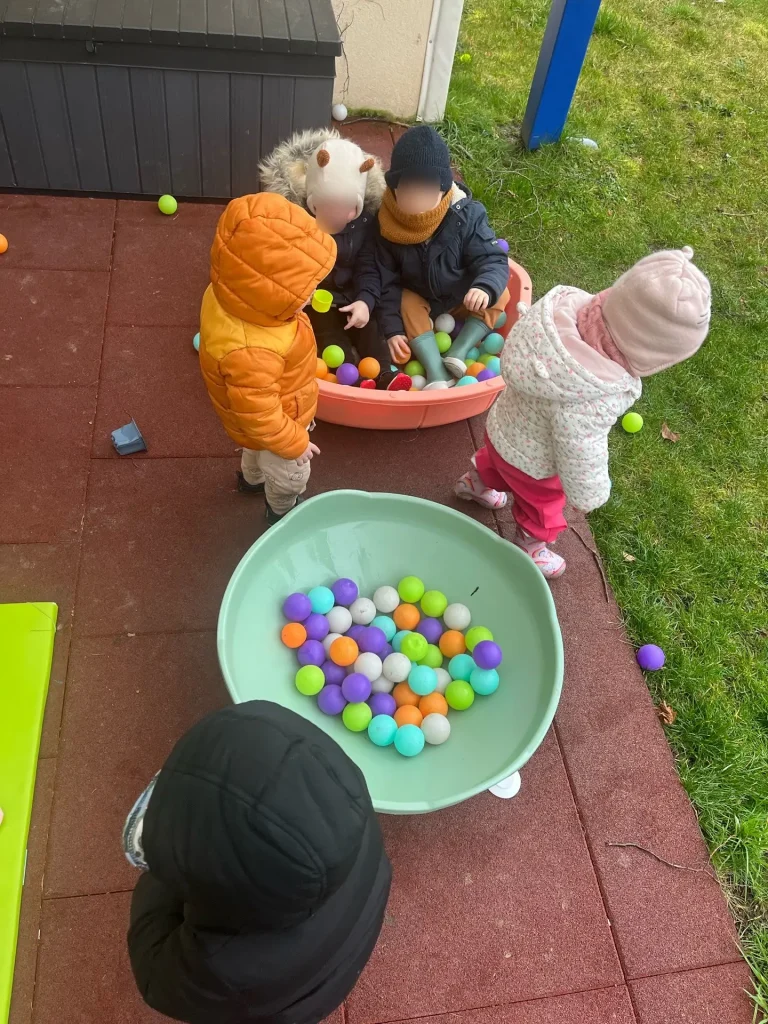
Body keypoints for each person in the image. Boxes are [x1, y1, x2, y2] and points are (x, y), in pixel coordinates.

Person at [124, 701, 392, 1024]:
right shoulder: (352, 810)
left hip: (285, 1009)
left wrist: (162, 869)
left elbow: (154, 975)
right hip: (347, 941)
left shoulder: (219, 966)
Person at [455, 247, 711, 578]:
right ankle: (529, 547)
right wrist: (591, 493)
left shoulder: (560, 316)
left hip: (503, 427)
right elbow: (580, 449)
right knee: (543, 507)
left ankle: (472, 484)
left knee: (494, 463)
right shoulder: (592, 391)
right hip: (536, 463)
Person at [199, 192, 336, 523]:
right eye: (305, 290)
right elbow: (260, 414)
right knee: (290, 474)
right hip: (280, 423)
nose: (312, 295)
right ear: (267, 293)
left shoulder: (232, 296)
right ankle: (280, 512)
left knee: (254, 448)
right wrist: (295, 443)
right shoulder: (252, 352)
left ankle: (250, 481)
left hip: (262, 420)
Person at [260, 130, 410, 391]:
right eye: (328, 207)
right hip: (318, 300)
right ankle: (349, 379)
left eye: (348, 208)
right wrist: (299, 295)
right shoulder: (298, 222)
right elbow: (286, 265)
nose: (339, 216)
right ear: (312, 202)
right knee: (329, 339)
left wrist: (365, 300)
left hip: (352, 296)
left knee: (371, 332)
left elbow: (369, 267)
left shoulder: (365, 224)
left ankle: (385, 375)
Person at [375, 125, 511, 388]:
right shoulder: (385, 226)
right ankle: (436, 370)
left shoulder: (466, 216)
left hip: (463, 298)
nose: (417, 199)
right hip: (422, 304)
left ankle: (459, 351)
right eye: (409, 189)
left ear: (443, 191)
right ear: (394, 189)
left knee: (499, 291)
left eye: (427, 191)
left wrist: (483, 288)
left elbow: (493, 259)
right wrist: (392, 330)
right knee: (405, 300)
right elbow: (386, 282)